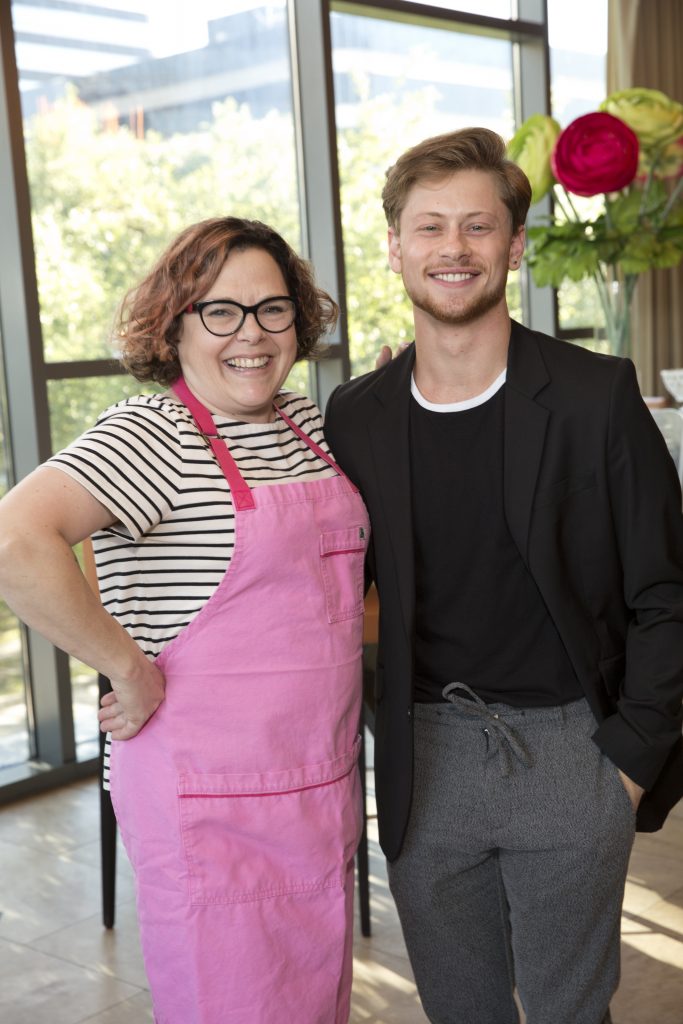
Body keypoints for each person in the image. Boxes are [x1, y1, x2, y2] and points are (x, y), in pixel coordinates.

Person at [324, 128, 683, 1024]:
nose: (453, 248)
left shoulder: (595, 395)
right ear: (396, 246)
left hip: (572, 753)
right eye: (430, 227)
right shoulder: (357, 414)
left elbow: (667, 595)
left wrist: (627, 767)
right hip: (423, 754)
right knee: (460, 1009)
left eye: (478, 227)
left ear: (514, 247)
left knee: (569, 1012)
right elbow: (324, 587)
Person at [0, 217, 369, 1024]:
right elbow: (14, 541)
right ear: (175, 325)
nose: (251, 334)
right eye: (220, 311)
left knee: (313, 1003)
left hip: (316, 784)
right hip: (210, 802)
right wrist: (126, 665)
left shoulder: (305, 426)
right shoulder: (151, 435)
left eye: (273, 310)